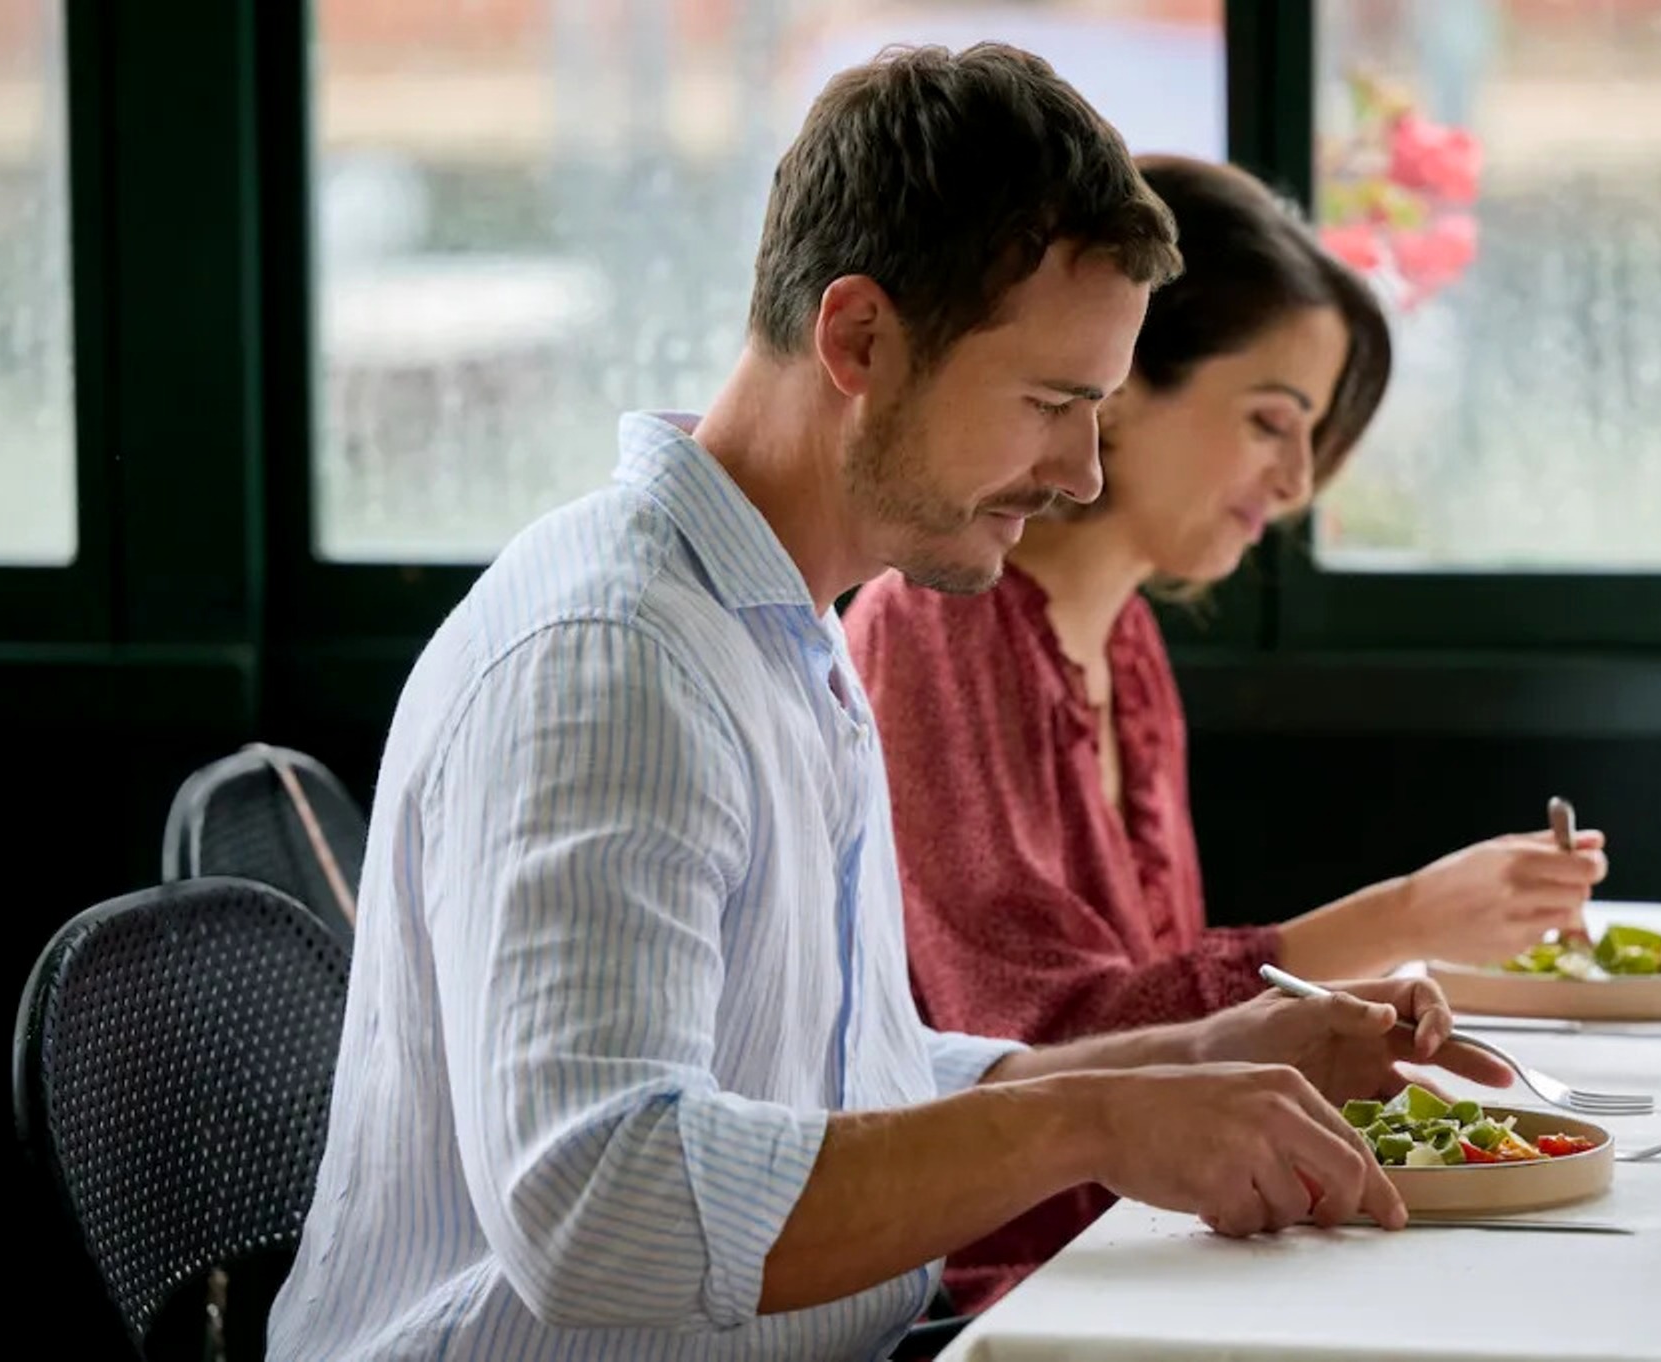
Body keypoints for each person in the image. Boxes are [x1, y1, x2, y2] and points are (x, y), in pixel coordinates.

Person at [270, 49, 1509, 1362]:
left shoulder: (778, 624)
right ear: (857, 337)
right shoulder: (617, 661)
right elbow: (599, 1203)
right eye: (1049, 402)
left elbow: (844, 1086)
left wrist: (1190, 1056)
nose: (1081, 470)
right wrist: (1092, 1125)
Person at [845, 155, 1606, 1312]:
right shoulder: (932, 625)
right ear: (1119, 377)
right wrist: (1396, 919)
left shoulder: (1128, 650)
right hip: (1013, 1284)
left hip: (1150, 1238)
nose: (1294, 483)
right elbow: (1034, 1042)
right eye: (1269, 422)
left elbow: (1154, 1020)